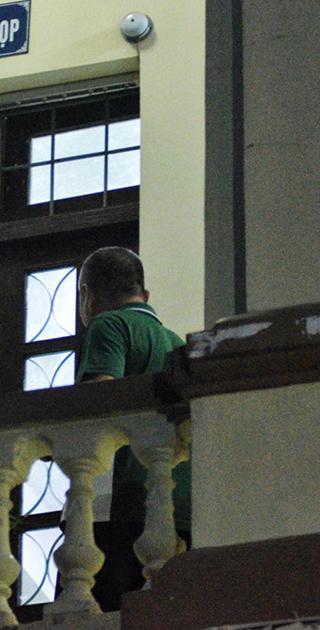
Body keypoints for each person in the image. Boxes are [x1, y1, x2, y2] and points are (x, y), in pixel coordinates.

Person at [75, 246, 191, 611]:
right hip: (177, 503)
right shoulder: (176, 343)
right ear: (146, 295)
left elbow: (100, 400)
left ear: (88, 296)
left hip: (121, 499)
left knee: (110, 608)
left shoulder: (108, 325)